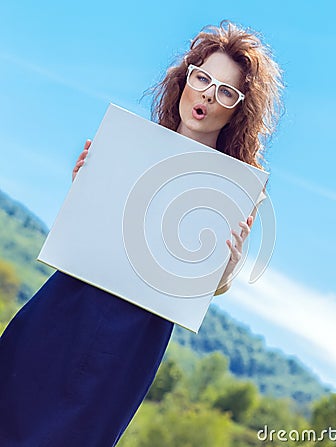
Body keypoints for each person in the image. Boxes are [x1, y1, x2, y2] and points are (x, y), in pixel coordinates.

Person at [0, 21, 282, 447]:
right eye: (202, 77)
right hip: (70, 300)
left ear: (237, 108)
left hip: (134, 336)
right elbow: (85, 233)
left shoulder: (237, 189)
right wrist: (84, 186)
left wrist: (229, 262)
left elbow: (211, 287)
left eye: (226, 90)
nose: (208, 93)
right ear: (186, 77)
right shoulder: (129, 145)